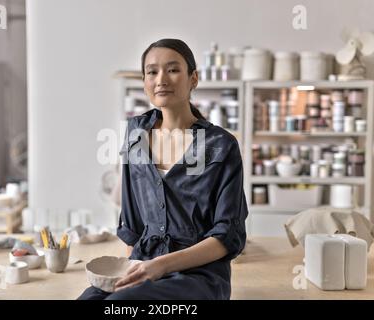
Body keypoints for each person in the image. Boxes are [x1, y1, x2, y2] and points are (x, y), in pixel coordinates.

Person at [78, 38, 248, 300]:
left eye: (173, 69)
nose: (161, 79)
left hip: (198, 276)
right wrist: (130, 273)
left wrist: (158, 267)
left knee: (120, 304)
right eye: (152, 71)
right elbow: (132, 226)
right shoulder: (135, 133)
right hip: (142, 266)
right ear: (145, 81)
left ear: (193, 79)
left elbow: (228, 236)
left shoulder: (221, 145)